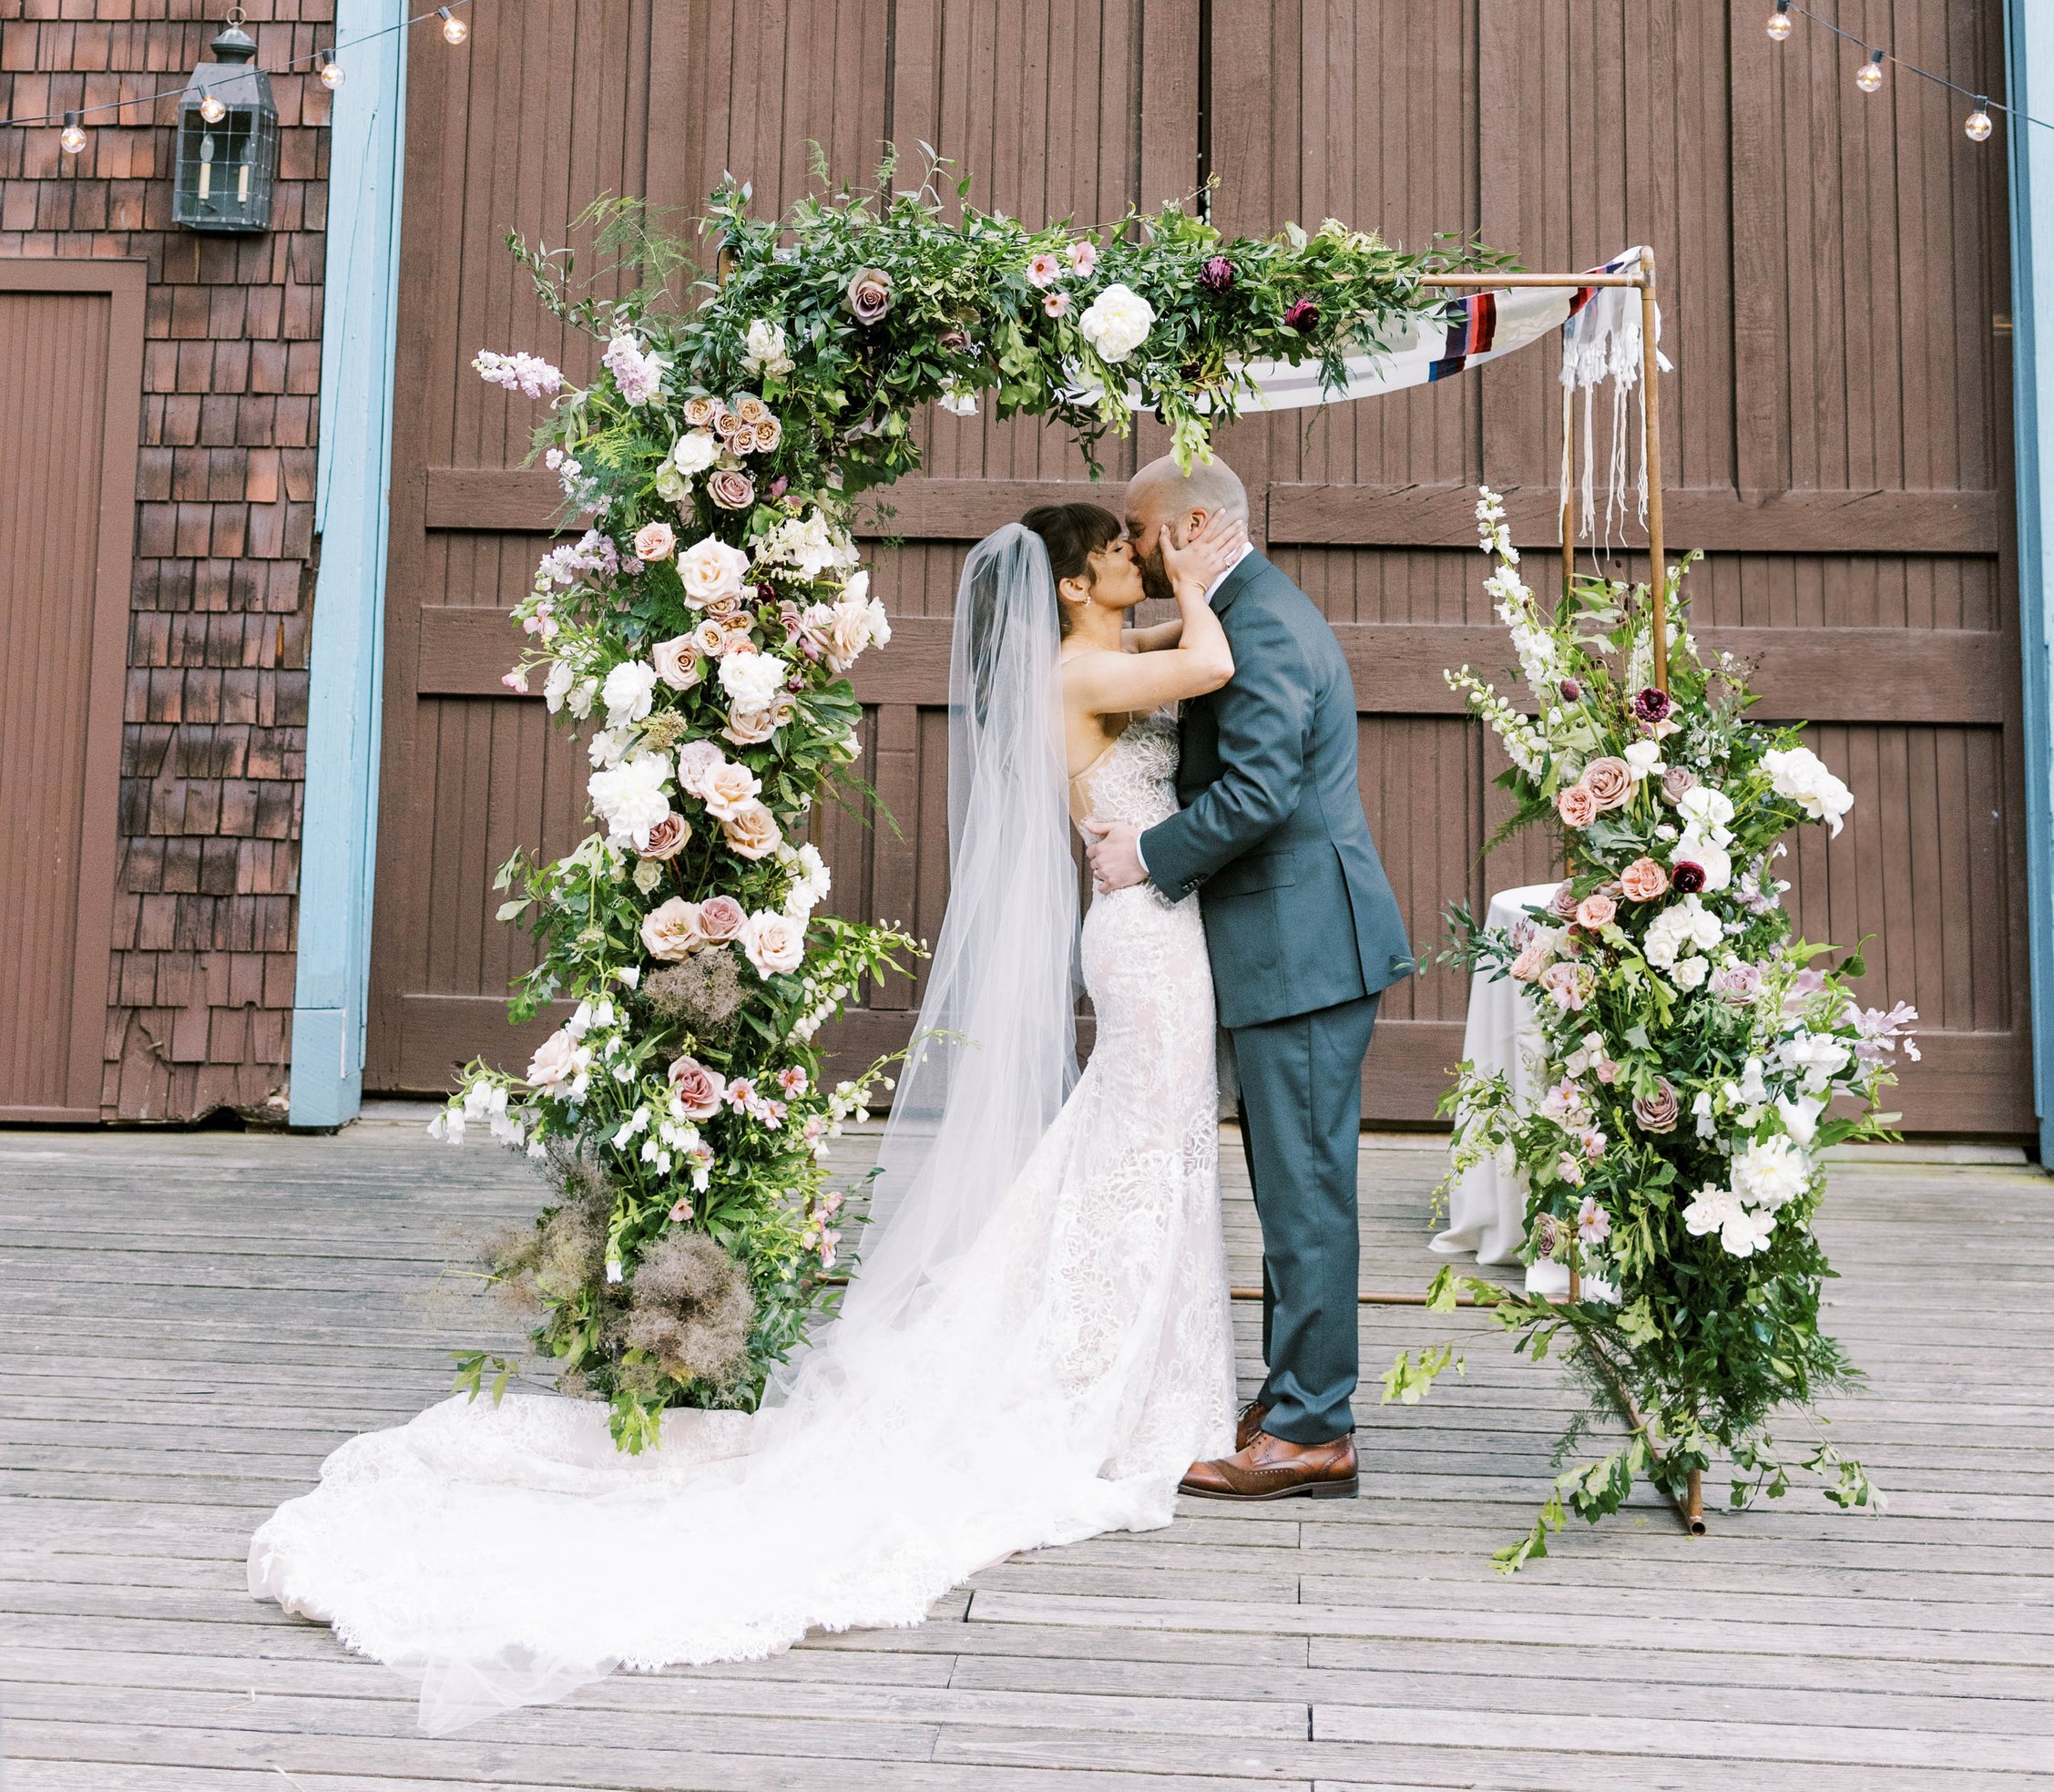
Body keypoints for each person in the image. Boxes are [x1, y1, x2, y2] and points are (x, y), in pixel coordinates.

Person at [248, 499, 1247, 1731]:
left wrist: (1176, 579)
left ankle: (1139, 1363)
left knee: (1135, 1150)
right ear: (1074, 583)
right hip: (1146, 941)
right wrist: (1205, 576)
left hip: (1146, 929)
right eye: (1119, 553)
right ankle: (1109, 1375)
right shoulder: (1089, 661)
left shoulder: (1087, 651)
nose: (1137, 562)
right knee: (1139, 1147)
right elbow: (1210, 663)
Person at [1084, 454, 1412, 1500]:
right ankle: (1290, 1397)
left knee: (1306, 1192)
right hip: (1288, 945)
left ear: (1185, 526)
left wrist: (1148, 853)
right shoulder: (1240, 606)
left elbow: (1262, 787)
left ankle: (1314, 1427)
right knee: (1289, 1185)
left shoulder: (1263, 620)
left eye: (1138, 533)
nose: (1130, 549)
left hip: (1305, 949)